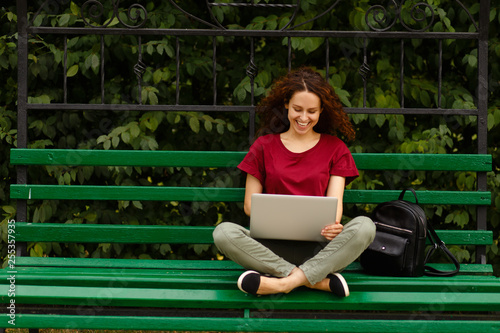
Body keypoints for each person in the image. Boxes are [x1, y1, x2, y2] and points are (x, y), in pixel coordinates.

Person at [213, 67, 375, 297]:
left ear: (321, 112)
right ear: (287, 104)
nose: (303, 117)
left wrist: (335, 225)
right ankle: (314, 281)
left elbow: (334, 206)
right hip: (270, 249)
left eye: (312, 111)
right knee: (223, 232)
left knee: (365, 227)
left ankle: (282, 283)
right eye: (298, 109)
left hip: (320, 251)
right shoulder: (263, 146)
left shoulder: (335, 148)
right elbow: (250, 206)